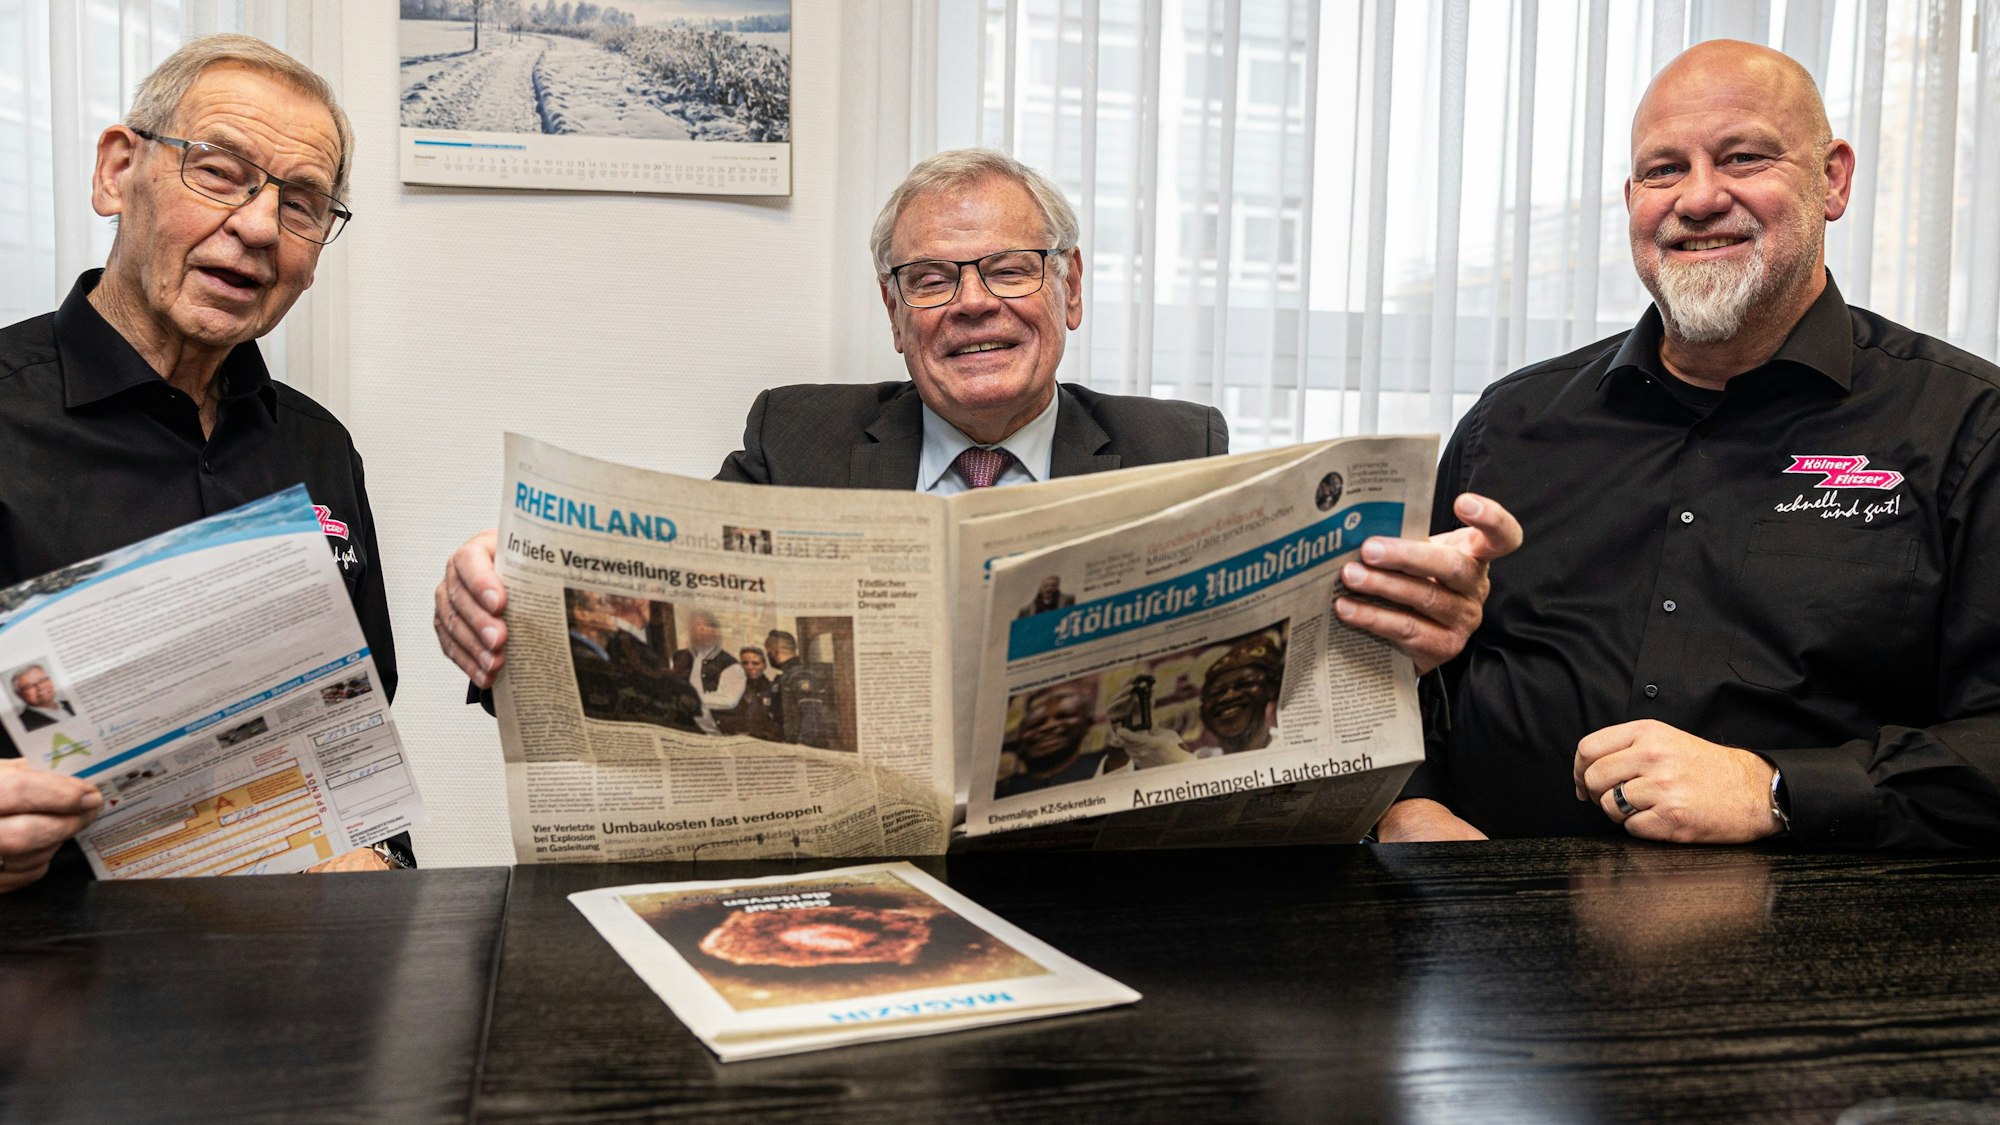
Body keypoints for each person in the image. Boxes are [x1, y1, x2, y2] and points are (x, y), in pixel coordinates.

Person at [435, 149, 1522, 703]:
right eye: (929, 278)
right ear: (894, 316)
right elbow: (682, 616)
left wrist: (1406, 624)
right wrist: (513, 607)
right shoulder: (796, 440)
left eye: (1007, 267)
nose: (970, 303)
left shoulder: (1177, 446)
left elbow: (1268, 664)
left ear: (1070, 290)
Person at [1379, 40, 2000, 850]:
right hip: (1498, 939)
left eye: (1743, 157)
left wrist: (1774, 788)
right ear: (1632, 197)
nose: (1700, 198)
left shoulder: (1967, 428)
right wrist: (1407, 804)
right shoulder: (1511, 422)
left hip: (1821, 946)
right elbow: (1400, 673)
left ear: (1834, 178)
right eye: (1664, 170)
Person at [0, 35, 404, 887]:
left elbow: (358, 738)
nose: (258, 226)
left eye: (302, 204)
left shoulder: (318, 447)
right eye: (219, 171)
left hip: (300, 969)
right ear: (117, 171)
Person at [566, 590, 700, 731]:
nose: (611, 611)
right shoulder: (587, 657)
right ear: (582, 614)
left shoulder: (606, 651)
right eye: (602, 603)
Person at [994, 684, 1117, 799]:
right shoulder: (1001, 791)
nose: (1048, 726)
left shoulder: (1107, 766)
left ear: (1088, 724)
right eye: (1036, 724)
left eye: (1064, 716)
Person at [671, 611, 745, 734]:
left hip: (716, 732)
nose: (698, 631)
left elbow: (729, 700)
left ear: (715, 631)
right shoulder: (679, 657)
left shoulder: (730, 664)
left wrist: (694, 698)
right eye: (694, 626)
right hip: (685, 728)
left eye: (703, 626)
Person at [722, 646, 783, 741]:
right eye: (745, 663)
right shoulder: (731, 688)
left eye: (755, 663)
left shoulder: (772, 690)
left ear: (764, 665)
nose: (750, 667)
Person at [11, 667, 75, 731]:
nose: (40, 687)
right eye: (29, 686)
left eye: (42, 680)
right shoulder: (21, 724)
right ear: (19, 694)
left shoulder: (71, 703)